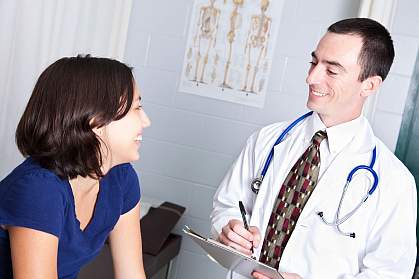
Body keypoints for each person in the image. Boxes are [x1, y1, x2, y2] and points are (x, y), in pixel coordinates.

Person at [210, 18, 417, 279]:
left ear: (370, 85)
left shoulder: (395, 182)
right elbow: (226, 206)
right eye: (313, 62)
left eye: (332, 71)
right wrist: (229, 230)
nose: (311, 77)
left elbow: (389, 274)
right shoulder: (267, 140)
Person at [0, 55, 151, 279]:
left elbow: (131, 274)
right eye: (136, 108)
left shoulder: (121, 177)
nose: (146, 121)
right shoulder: (39, 190)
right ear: (97, 121)